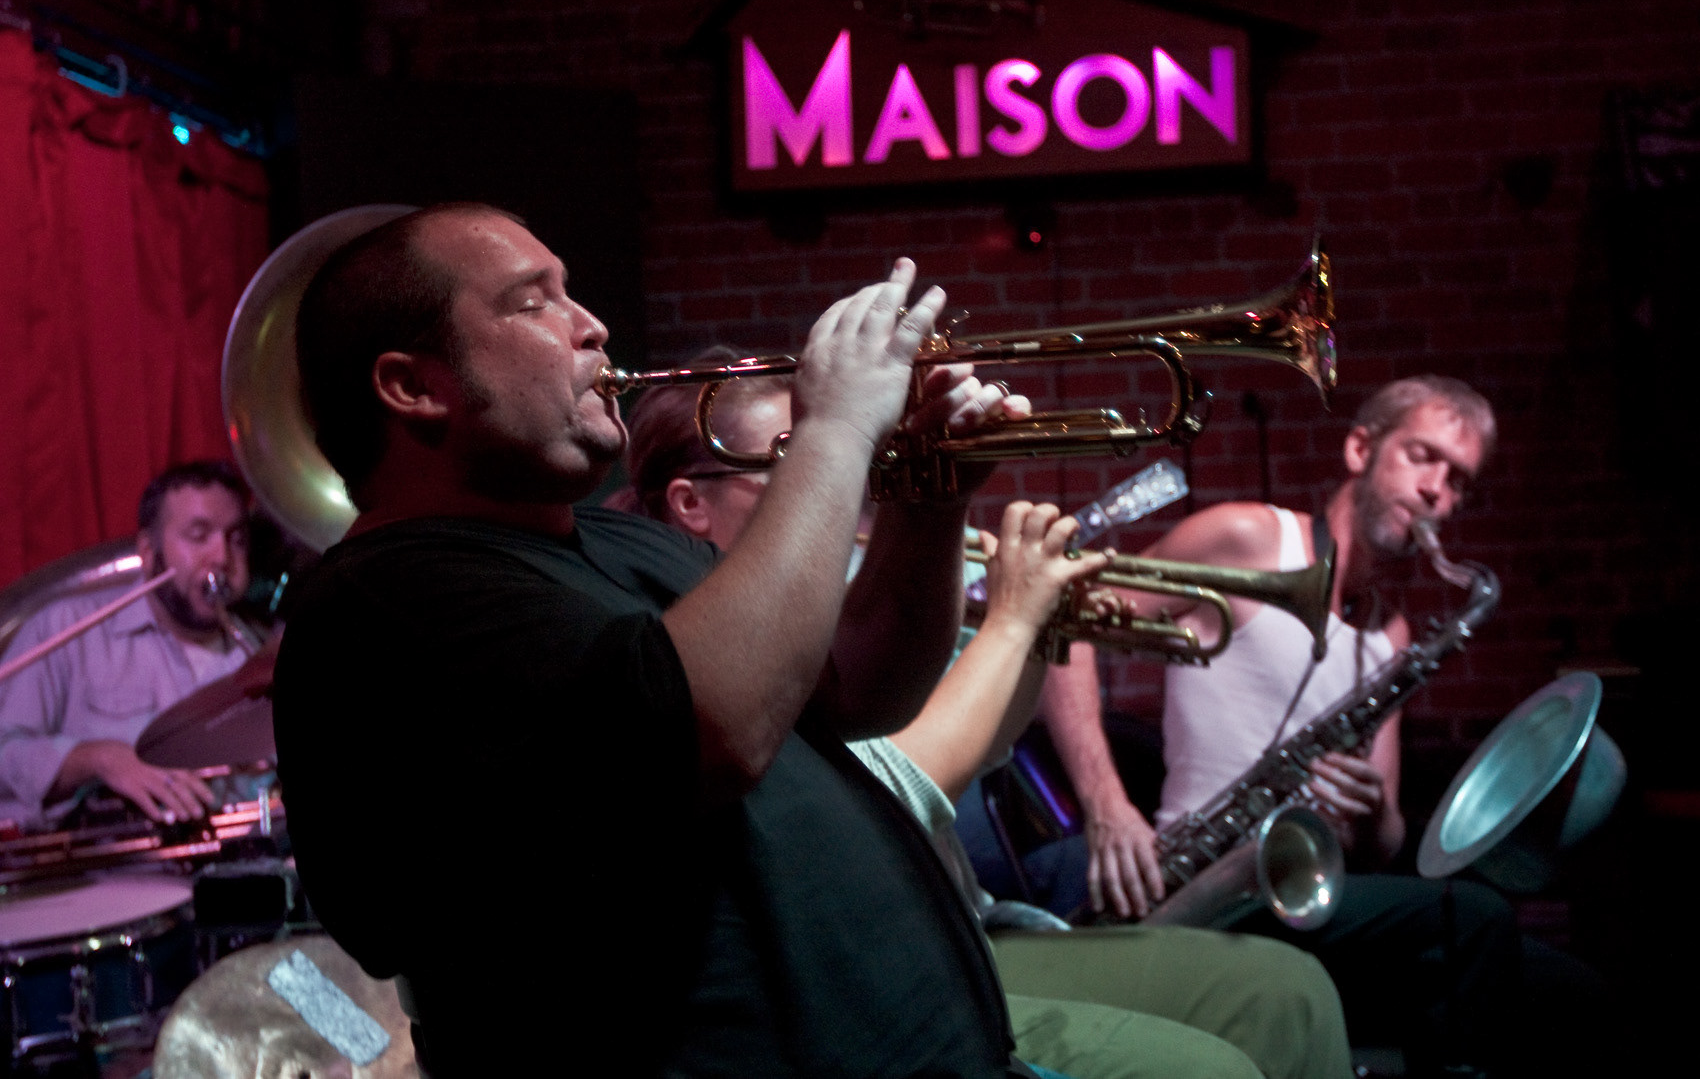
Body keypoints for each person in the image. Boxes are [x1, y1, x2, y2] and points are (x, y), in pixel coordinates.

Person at [274, 202, 1058, 1077]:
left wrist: (929, 497)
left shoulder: (620, 540)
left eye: (570, 291)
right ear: (413, 386)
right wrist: (834, 428)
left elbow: (859, 685)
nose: (592, 325)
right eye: (533, 302)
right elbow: (711, 727)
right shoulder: (382, 603)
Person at [623, 371, 1354, 1079]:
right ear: (691, 503)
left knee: (1294, 990)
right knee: (1218, 1058)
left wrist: (1044, 628)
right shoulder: (704, 641)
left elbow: (988, 742)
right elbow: (898, 788)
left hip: (965, 920)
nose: (838, 478)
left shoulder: (842, 589)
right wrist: (1012, 619)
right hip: (884, 966)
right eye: (793, 458)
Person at [1034, 377, 1607, 1077]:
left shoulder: (1393, 634)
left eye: (1459, 480)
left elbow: (1385, 840)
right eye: (1422, 456)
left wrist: (1371, 809)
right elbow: (1065, 626)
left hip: (1300, 893)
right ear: (1361, 448)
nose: (1437, 490)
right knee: (1476, 920)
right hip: (1201, 886)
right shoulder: (1247, 538)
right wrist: (1106, 806)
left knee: (1573, 991)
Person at [0, 460, 260, 828]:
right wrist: (97, 759)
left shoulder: (261, 651)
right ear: (149, 550)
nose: (222, 558)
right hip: (102, 858)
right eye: (199, 535)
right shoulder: (65, 629)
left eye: (236, 539)